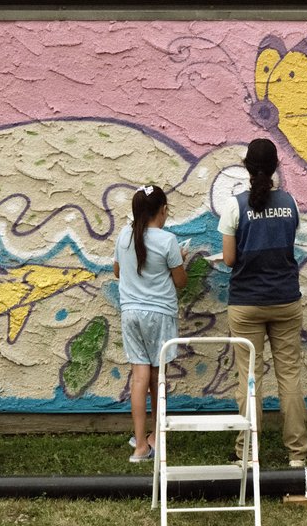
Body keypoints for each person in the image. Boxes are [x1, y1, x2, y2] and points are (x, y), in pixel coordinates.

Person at [219, 138, 307, 468]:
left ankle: (247, 451)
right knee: (290, 378)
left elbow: (229, 259)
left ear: (246, 166)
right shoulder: (290, 203)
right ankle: (297, 454)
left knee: (249, 380)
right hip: (286, 300)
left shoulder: (234, 206)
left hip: (246, 304)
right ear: (274, 167)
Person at [113, 185, 188, 463]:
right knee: (158, 379)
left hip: (130, 313)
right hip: (159, 314)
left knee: (139, 377)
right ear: (163, 210)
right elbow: (180, 282)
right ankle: (156, 437)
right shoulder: (168, 241)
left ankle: (139, 445)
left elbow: (118, 271)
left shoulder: (123, 236)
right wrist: (182, 261)